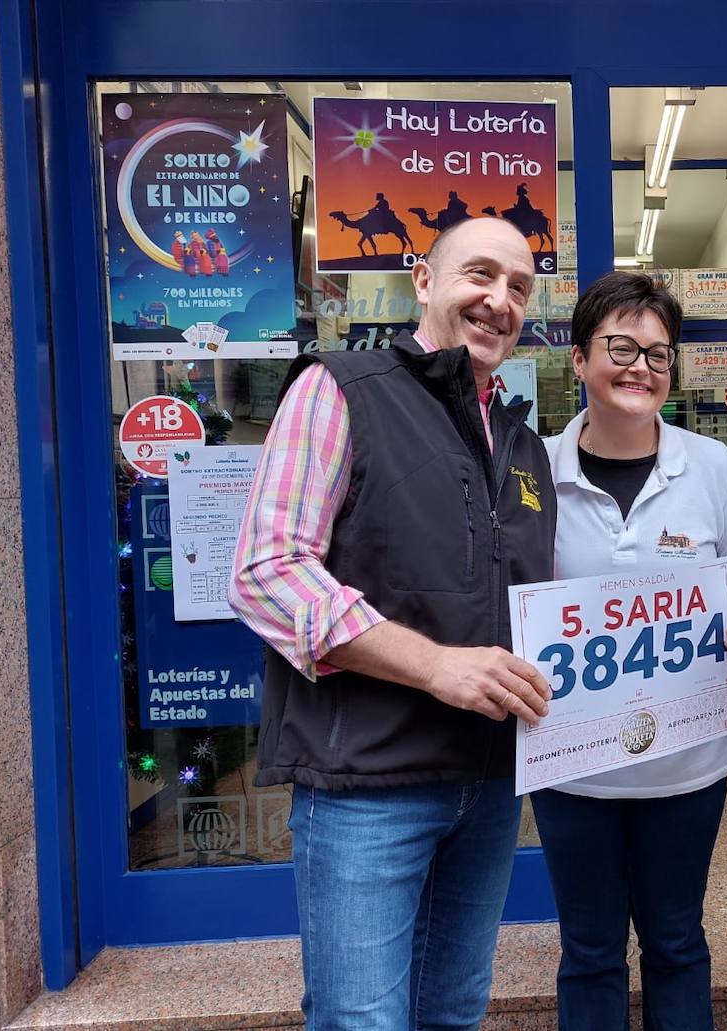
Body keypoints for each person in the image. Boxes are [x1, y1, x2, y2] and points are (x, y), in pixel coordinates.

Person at [229, 215, 555, 1031]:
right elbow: (268, 572)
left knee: (452, 1014)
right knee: (362, 1021)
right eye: (479, 274)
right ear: (422, 279)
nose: (499, 299)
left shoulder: (521, 443)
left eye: (519, 287)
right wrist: (436, 665)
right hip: (366, 789)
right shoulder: (339, 388)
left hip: (484, 787)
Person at [533, 271, 727, 1031]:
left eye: (659, 354)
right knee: (590, 950)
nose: (640, 367)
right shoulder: (532, 472)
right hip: (572, 767)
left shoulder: (714, 467)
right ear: (578, 358)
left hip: (688, 763)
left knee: (676, 940)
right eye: (620, 346)